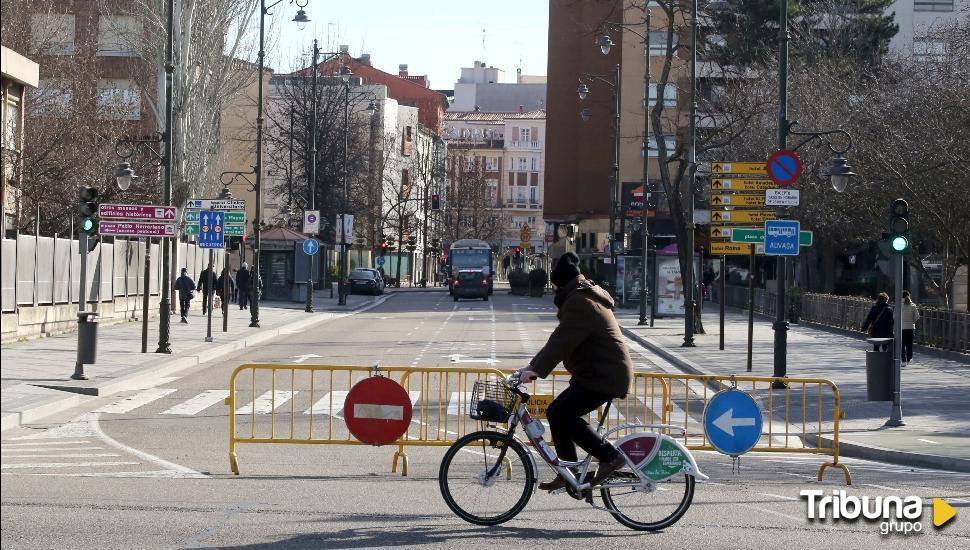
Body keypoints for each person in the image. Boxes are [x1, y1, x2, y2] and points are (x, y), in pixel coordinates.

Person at [516, 252, 634, 491]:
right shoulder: (582, 297)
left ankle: (609, 456)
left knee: (562, 414)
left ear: (560, 282)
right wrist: (532, 366)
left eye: (554, 284)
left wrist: (536, 369)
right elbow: (559, 340)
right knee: (557, 413)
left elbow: (562, 342)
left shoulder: (581, 302)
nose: (552, 289)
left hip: (604, 375)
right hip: (598, 372)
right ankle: (569, 472)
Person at [900, 291, 920, 364]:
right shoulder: (913, 305)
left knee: (902, 344)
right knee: (909, 344)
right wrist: (912, 321)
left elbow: (894, 316)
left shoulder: (899, 305)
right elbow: (917, 317)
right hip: (911, 328)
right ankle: (909, 358)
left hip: (901, 328)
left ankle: (903, 360)